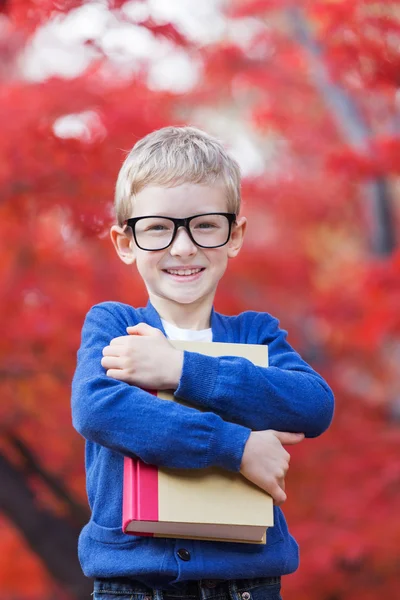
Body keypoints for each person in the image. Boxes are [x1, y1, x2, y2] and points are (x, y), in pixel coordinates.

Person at [71, 126, 334, 600]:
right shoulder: (114, 325)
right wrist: (236, 447)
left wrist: (181, 371)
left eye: (205, 224)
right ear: (125, 242)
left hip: (248, 584)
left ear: (235, 235)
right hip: (133, 586)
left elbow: (313, 405)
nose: (183, 246)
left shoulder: (257, 333)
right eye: (157, 227)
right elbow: (98, 409)